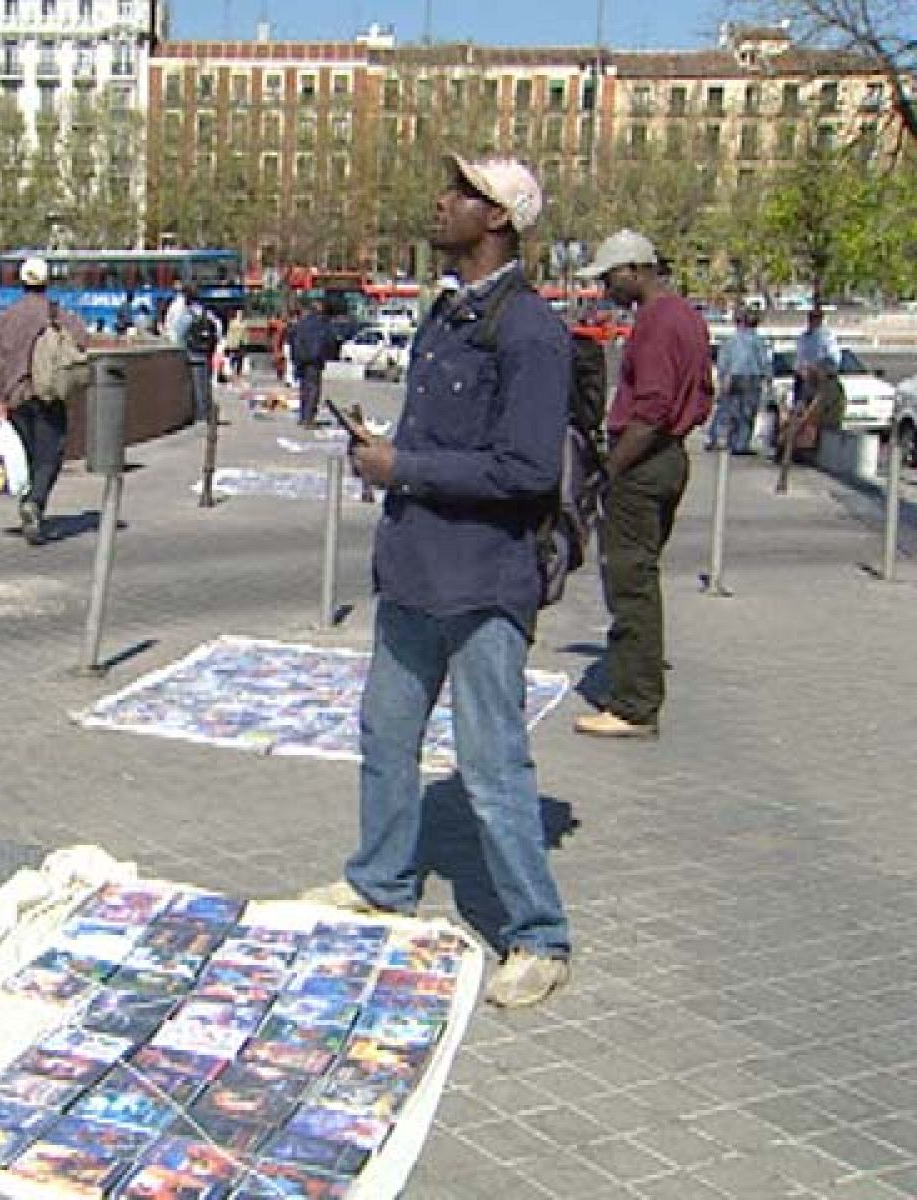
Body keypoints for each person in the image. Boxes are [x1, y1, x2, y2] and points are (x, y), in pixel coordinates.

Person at [300, 154, 573, 1009]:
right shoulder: (444, 316)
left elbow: (528, 471)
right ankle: (381, 879)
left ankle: (537, 936)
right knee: (385, 735)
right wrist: (389, 453)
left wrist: (402, 467)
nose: (440, 200)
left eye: (460, 193)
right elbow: (448, 441)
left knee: (491, 766)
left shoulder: (529, 331)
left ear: (497, 219)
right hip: (414, 571)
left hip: (483, 583)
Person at [573, 230, 712, 738]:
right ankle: (635, 692)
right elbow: (698, 395)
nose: (606, 288)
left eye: (609, 278)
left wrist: (612, 468)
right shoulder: (687, 317)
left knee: (630, 580)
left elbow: (652, 408)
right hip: (669, 458)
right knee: (640, 575)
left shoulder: (656, 322)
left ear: (634, 270)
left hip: (645, 464)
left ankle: (633, 704)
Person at [0, 254, 89, 546]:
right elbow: (82, 338)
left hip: (16, 397)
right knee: (51, 454)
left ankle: (28, 501)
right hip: (46, 393)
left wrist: (0, 399)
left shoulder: (7, 316)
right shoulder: (53, 312)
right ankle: (34, 502)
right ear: (46, 282)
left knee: (27, 454)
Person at [711, 307, 769, 454]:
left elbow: (723, 360)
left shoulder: (731, 339)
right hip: (751, 377)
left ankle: (720, 438)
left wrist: (723, 377)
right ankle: (740, 444)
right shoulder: (757, 340)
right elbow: (763, 361)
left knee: (729, 408)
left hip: (733, 376)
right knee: (747, 412)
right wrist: (768, 376)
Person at [784, 306, 840, 457]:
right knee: (799, 412)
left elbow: (833, 359)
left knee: (814, 414)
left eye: (816, 318)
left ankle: (809, 447)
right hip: (802, 378)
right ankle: (795, 446)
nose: (812, 321)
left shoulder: (827, 337)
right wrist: (800, 369)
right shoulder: (804, 337)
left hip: (817, 379)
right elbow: (799, 357)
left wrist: (817, 369)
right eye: (811, 318)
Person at [288, 297, 337, 427]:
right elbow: (329, 340)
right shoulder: (322, 323)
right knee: (313, 390)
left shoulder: (302, 322)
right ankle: (308, 419)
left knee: (304, 389)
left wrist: (295, 358)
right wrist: (326, 355)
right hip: (314, 361)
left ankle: (303, 417)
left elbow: (292, 337)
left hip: (301, 360)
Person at [181, 294, 222, 423]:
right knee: (206, 384)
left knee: (197, 386)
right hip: (206, 354)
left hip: (193, 354)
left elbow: (179, 335)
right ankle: (207, 411)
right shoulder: (209, 316)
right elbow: (218, 333)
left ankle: (200, 415)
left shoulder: (188, 316)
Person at [224, 309, 248, 380]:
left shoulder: (244, 323)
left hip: (241, 343)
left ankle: (238, 372)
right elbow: (229, 333)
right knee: (234, 357)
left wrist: (246, 342)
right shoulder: (232, 323)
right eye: (239, 314)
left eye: (241, 314)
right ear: (236, 315)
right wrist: (228, 343)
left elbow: (245, 334)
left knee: (240, 358)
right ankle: (232, 370)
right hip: (234, 343)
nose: (240, 316)